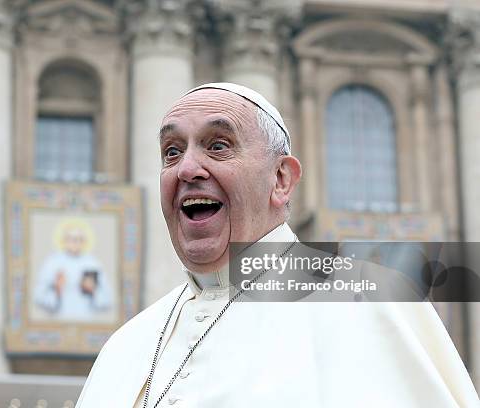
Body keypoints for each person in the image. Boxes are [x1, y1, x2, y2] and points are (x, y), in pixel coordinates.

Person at [75, 83, 479, 407]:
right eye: (171, 152)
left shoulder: (369, 303)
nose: (187, 169)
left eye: (218, 145)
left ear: (282, 179)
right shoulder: (127, 344)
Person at [33, 219, 112, 322]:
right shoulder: (52, 262)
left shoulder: (92, 263)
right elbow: (38, 297)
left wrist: (93, 291)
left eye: (78, 239)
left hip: (85, 319)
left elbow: (108, 299)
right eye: (71, 239)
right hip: (59, 319)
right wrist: (57, 289)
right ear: (64, 241)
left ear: (84, 241)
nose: (75, 242)